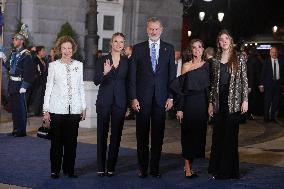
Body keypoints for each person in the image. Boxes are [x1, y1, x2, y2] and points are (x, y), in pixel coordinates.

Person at [129, 17, 176, 178]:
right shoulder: (138, 48)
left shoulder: (169, 49)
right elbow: (133, 76)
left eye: (156, 29)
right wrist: (133, 98)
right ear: (147, 30)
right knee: (141, 135)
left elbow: (172, 75)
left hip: (161, 99)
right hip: (142, 100)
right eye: (151, 29)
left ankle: (154, 168)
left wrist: (171, 97)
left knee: (158, 135)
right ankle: (142, 168)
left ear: (161, 30)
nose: (154, 31)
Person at [43, 35, 86, 179]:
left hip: (74, 110)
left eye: (69, 48)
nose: (67, 51)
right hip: (57, 110)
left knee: (71, 142)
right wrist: (46, 109)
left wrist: (83, 107)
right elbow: (48, 87)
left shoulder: (78, 65)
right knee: (56, 142)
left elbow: (81, 87)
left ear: (73, 50)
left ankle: (69, 169)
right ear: (60, 50)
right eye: (64, 48)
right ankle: (55, 170)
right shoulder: (53, 66)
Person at [208, 29, 248, 180]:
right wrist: (211, 103)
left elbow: (244, 80)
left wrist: (245, 100)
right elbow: (213, 85)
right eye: (221, 39)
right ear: (218, 42)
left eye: (226, 38)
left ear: (231, 40)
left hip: (234, 102)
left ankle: (229, 171)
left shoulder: (239, 57)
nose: (224, 41)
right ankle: (217, 169)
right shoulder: (216, 59)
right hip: (219, 102)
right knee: (218, 136)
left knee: (230, 137)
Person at [94, 32, 129, 177]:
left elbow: (129, 83)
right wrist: (104, 72)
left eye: (121, 42)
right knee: (101, 134)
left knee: (116, 135)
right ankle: (101, 167)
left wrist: (128, 103)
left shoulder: (127, 61)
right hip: (104, 101)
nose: (119, 44)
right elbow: (96, 80)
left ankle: (111, 167)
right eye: (116, 41)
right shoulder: (102, 59)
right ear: (111, 43)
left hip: (120, 102)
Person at [174, 39, 209, 178]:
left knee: (198, 136)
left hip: (202, 104)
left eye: (199, 47)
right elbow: (181, 89)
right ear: (191, 50)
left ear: (203, 49)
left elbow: (209, 89)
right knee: (187, 135)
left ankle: (190, 165)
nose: (197, 50)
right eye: (194, 47)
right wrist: (180, 108)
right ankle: (187, 168)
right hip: (188, 103)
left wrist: (210, 105)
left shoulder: (208, 66)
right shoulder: (186, 66)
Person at [3, 25, 35, 137]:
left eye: (16, 39)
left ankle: (21, 131)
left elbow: (29, 72)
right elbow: (9, 67)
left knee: (21, 110)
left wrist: (24, 86)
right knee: (14, 109)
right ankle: (15, 129)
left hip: (20, 84)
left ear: (21, 41)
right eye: (13, 39)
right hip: (12, 84)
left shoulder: (26, 55)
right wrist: (3, 58)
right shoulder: (14, 53)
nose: (13, 41)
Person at [259, 46, 284, 123]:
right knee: (268, 101)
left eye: (275, 52)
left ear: (277, 53)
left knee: (276, 102)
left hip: (278, 85)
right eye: (273, 52)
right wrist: (261, 85)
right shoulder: (266, 62)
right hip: (268, 85)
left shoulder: (281, 61)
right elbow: (263, 73)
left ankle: (273, 117)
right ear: (270, 53)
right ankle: (266, 117)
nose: (274, 54)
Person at [32, 46, 48, 116]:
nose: (44, 52)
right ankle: (36, 112)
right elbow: (35, 71)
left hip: (44, 81)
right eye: (43, 51)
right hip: (38, 81)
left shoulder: (44, 60)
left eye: (44, 51)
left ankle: (40, 111)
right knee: (38, 97)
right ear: (39, 52)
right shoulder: (35, 59)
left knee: (42, 96)